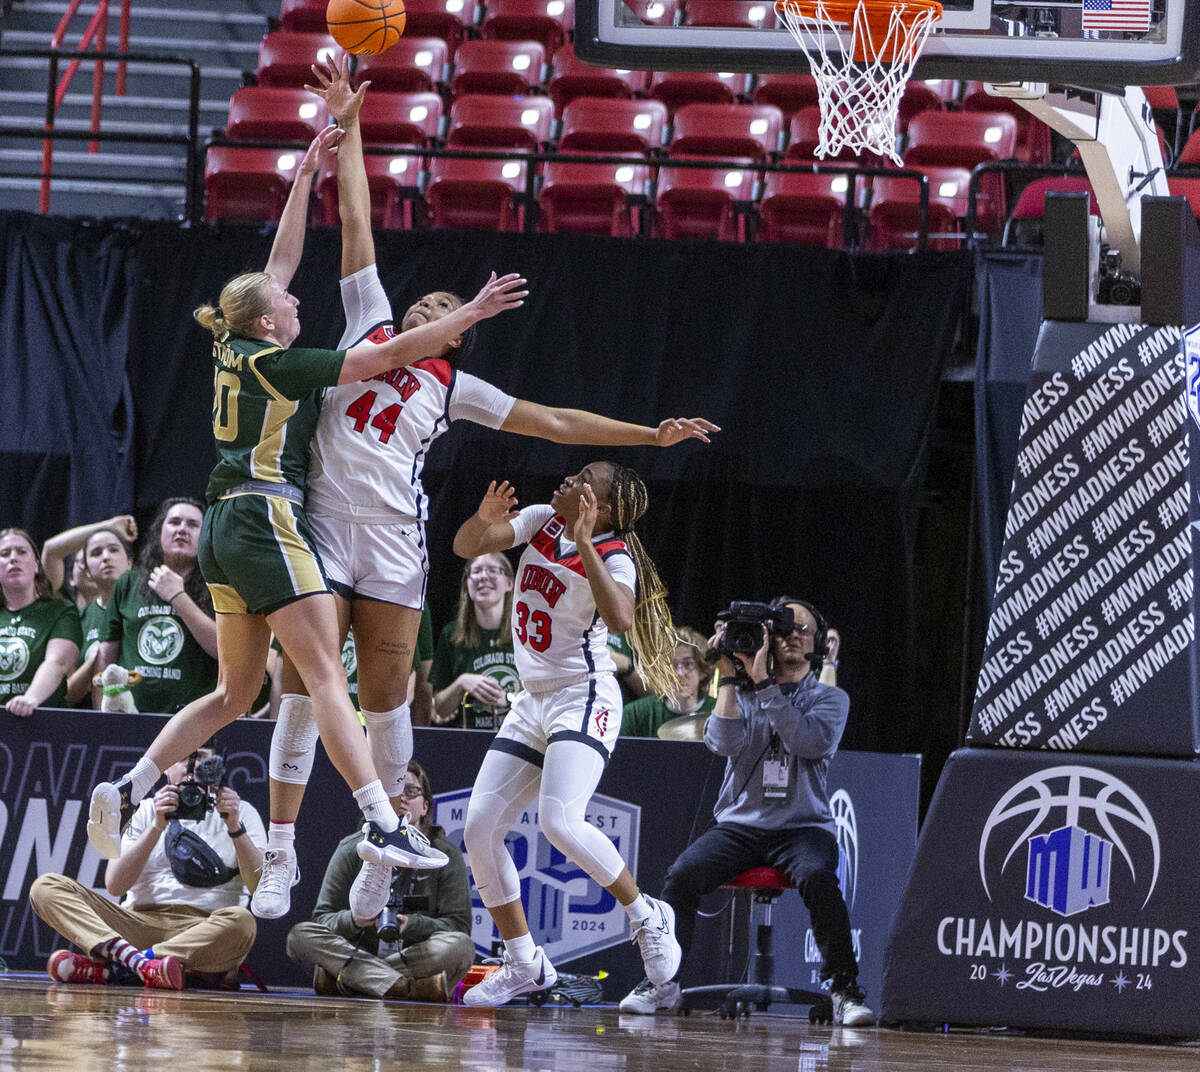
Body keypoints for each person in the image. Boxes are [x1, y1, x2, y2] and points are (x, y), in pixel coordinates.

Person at [264, 58, 717, 915]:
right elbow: (355, 217)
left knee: (387, 700)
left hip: (397, 537)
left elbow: (553, 422)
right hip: (323, 525)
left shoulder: (457, 389)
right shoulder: (369, 318)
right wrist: (348, 123)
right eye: (426, 298)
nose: (430, 304)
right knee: (298, 679)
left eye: (446, 305)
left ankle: (383, 847)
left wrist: (646, 433)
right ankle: (283, 847)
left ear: (460, 332)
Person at [83, 124, 528, 931]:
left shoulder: (230, 340)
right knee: (324, 678)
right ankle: (385, 821)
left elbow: (277, 264)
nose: (297, 300)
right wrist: (470, 314)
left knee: (235, 690)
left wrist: (305, 175)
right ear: (268, 326)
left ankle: (128, 785)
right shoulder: (285, 361)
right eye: (287, 306)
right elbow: (379, 359)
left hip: (218, 522)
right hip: (265, 517)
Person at [454, 465, 686, 1006]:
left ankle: (644, 914)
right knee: (480, 829)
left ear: (598, 508)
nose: (567, 476)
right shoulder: (539, 521)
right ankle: (524, 963)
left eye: (584, 477)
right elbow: (467, 545)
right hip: (532, 700)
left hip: (583, 695)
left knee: (560, 821)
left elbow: (622, 618)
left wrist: (583, 542)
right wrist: (483, 521)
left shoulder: (614, 555)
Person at [618, 598, 874, 1026]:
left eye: (802, 630)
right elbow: (721, 742)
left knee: (818, 877)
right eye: (783, 628)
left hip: (802, 827)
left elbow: (807, 742)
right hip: (739, 825)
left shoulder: (830, 699)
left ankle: (844, 989)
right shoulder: (741, 688)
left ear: (817, 645)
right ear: (767, 638)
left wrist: (765, 686)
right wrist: (728, 674)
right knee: (682, 874)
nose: (792, 635)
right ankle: (662, 982)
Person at [32, 745, 265, 990]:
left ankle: (124, 966)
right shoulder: (144, 810)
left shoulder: (242, 811)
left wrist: (235, 827)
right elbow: (115, 884)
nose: (193, 766)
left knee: (242, 922)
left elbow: (260, 887)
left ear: (217, 767)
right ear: (166, 769)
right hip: (138, 921)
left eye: (203, 759)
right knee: (45, 887)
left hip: (203, 929)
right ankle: (144, 966)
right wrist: (156, 826)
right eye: (183, 758)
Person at [286, 760, 473, 1001]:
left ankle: (353, 982)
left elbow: (458, 926)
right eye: (392, 792)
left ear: (425, 807)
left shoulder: (444, 855)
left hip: (412, 956)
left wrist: (413, 924)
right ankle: (405, 988)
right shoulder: (353, 848)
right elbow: (322, 919)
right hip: (358, 950)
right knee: (299, 937)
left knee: (461, 946)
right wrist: (355, 920)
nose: (402, 798)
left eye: (411, 791)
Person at [96, 498, 217, 714]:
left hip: (193, 720)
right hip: (129, 715)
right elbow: (106, 658)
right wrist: (102, 715)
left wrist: (178, 596)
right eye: (174, 522)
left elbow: (221, 649)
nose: (182, 529)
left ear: (206, 536)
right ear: (159, 533)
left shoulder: (217, 587)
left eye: (192, 524)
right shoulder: (128, 583)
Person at [430, 553, 519, 730]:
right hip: (468, 742)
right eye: (476, 571)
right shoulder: (451, 634)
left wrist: (510, 699)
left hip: (518, 739)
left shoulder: (525, 632)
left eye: (493, 571)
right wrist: (461, 683)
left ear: (510, 583)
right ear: (467, 584)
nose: (483, 577)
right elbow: (439, 709)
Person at [0, 528, 82, 716]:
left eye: (21, 552)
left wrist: (31, 698)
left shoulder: (60, 610)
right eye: (4, 554)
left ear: (36, 565)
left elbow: (58, 663)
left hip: (42, 724)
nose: (13, 558)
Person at [66, 525, 134, 706]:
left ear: (129, 562)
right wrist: (94, 660)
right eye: (96, 553)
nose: (106, 557)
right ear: (87, 570)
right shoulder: (76, 621)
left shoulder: (148, 610)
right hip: (96, 722)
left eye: (113, 550)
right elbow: (68, 694)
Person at [621, 627, 714, 739]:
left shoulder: (718, 712)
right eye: (672, 665)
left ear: (704, 671)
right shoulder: (635, 714)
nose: (679, 673)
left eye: (688, 664)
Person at [40, 513, 138, 603]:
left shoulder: (134, 609)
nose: (105, 558)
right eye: (83, 562)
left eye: (113, 550)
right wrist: (109, 527)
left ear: (129, 564)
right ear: (71, 578)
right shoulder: (63, 611)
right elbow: (51, 550)